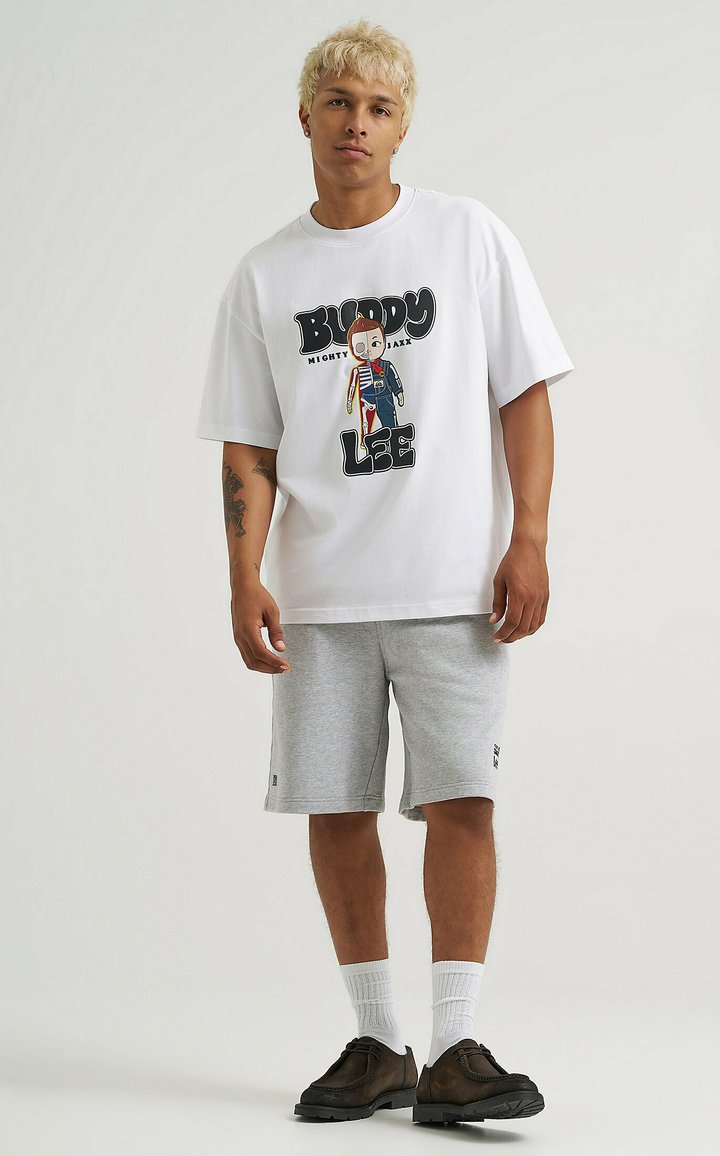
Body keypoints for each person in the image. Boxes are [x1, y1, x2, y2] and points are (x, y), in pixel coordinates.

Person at [196, 18, 574, 1127]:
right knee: (335, 807)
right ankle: (376, 1044)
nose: (355, 123)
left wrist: (530, 537)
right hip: (320, 597)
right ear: (305, 117)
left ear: (402, 126)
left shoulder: (465, 236)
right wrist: (243, 576)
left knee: (462, 801)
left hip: (454, 586)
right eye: (338, 103)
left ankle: (456, 1047)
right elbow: (249, 447)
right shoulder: (265, 275)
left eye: (378, 107)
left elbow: (524, 393)